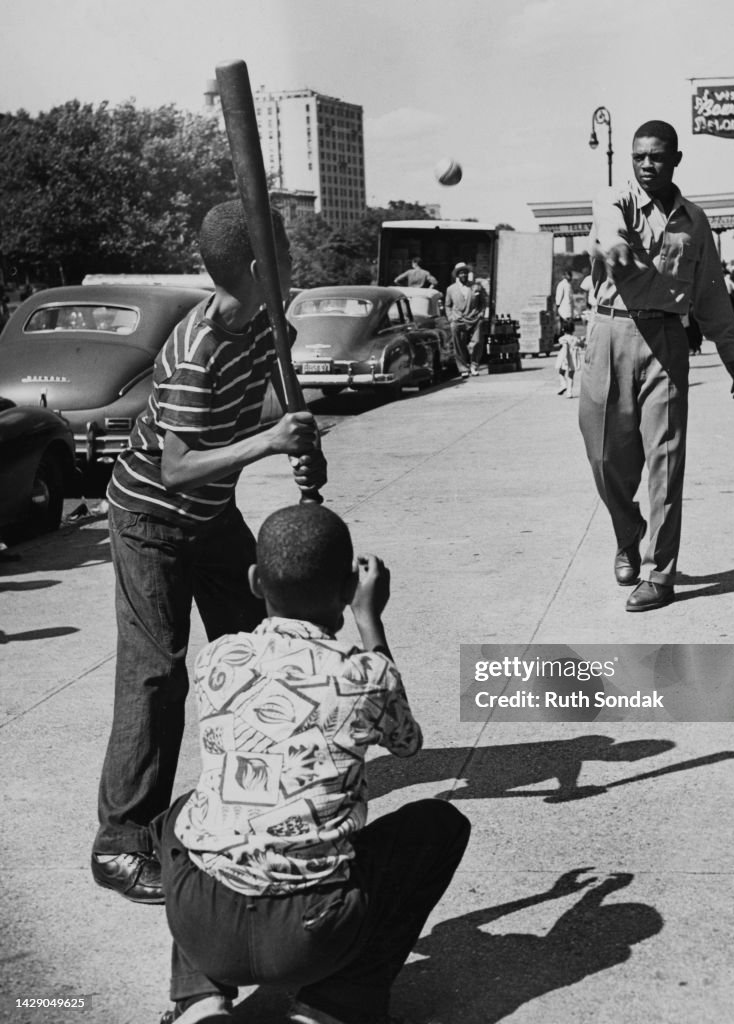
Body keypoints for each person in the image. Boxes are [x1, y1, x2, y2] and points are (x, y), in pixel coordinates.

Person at [90, 200, 328, 904]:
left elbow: (279, 393)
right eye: (284, 253)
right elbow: (177, 466)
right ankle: (122, 838)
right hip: (152, 518)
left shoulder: (262, 321)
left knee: (262, 640)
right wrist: (272, 442)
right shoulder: (196, 348)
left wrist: (300, 432)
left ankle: (255, 783)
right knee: (157, 670)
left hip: (212, 515)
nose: (294, 264)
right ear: (259, 268)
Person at [150, 503, 471, 1024]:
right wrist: (371, 621)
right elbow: (408, 743)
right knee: (439, 825)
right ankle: (333, 1007)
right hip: (311, 933)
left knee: (189, 809)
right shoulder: (364, 674)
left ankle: (200, 1000)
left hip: (201, 922)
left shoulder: (217, 659)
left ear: (256, 582)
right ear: (348, 590)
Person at [580, 119, 734, 613]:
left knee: (666, 460)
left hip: (666, 338)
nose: (645, 164)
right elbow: (609, 232)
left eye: (656, 156)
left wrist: (732, 356)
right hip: (610, 333)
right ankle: (627, 530)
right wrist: (614, 250)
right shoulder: (614, 199)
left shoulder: (695, 222)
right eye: (638, 156)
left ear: (676, 159)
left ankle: (660, 572)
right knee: (604, 456)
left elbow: (711, 292)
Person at [445, 262, 488, 377]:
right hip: (458, 319)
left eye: (465, 272)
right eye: (460, 273)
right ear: (457, 275)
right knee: (458, 343)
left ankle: (474, 365)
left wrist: (482, 314)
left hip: (474, 318)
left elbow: (484, 302)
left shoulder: (476, 286)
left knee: (477, 342)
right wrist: (450, 317)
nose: (463, 275)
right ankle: (463, 368)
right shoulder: (451, 289)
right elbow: (447, 305)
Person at [555, 321, 583, 397]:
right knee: (571, 375)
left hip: (565, 356)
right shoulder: (575, 338)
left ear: (563, 329)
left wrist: (565, 358)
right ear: (573, 329)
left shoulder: (562, 338)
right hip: (573, 358)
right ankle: (569, 392)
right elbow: (581, 345)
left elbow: (565, 348)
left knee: (561, 372)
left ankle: (563, 384)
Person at [554, 268, 575, 335]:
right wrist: (557, 306)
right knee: (564, 327)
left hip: (568, 309)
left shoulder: (568, 285)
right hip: (563, 309)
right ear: (565, 276)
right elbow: (559, 296)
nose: (571, 277)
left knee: (569, 327)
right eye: (569, 275)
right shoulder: (562, 284)